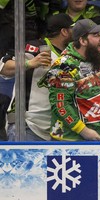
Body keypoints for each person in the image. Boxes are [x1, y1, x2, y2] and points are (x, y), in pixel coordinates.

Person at [38, 18, 100, 141]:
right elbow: (60, 105)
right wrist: (83, 131)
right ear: (82, 41)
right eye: (96, 35)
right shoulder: (64, 66)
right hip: (72, 141)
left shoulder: (98, 58)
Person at [0, 13, 74, 141]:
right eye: (73, 28)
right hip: (27, 125)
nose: (76, 32)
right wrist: (29, 63)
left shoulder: (71, 54)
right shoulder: (34, 47)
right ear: (64, 32)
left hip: (55, 129)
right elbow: (3, 67)